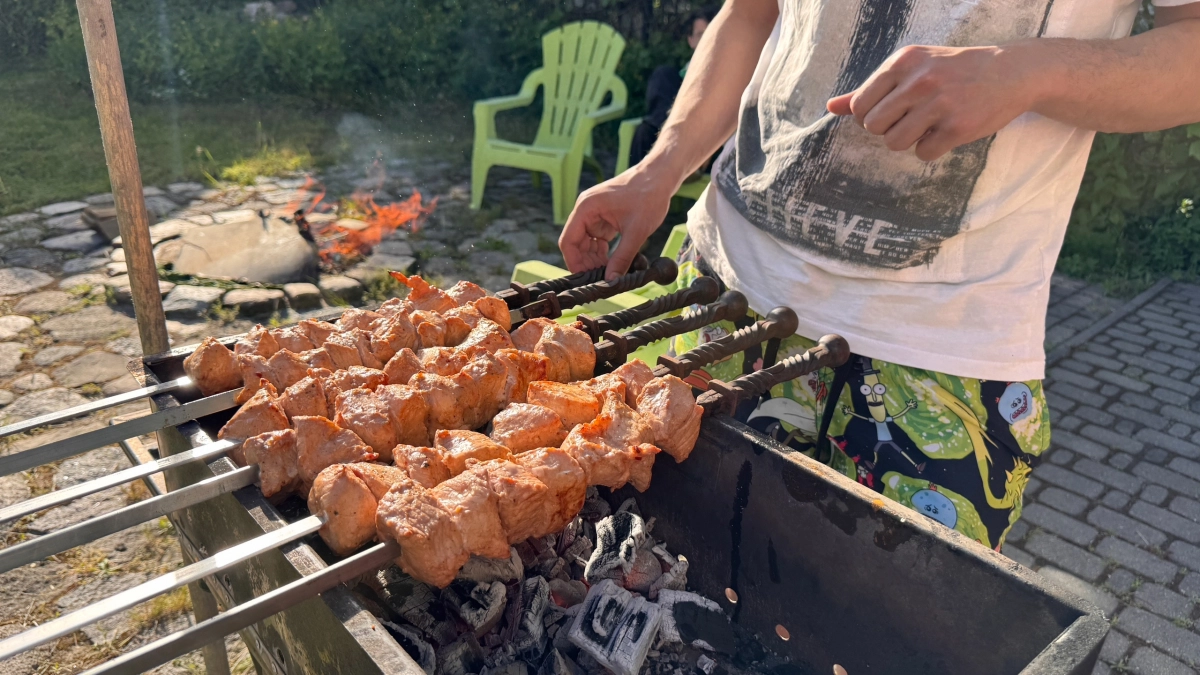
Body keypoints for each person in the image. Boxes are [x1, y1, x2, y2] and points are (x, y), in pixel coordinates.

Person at [560, 0, 1200, 550]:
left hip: (934, 362)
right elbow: (754, 12)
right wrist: (659, 168)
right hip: (719, 294)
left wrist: (1020, 73)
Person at [627, 7, 718, 167]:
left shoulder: (728, 72)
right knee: (646, 130)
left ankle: (671, 139)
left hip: (704, 142)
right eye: (700, 35)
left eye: (711, 33)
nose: (706, 39)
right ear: (690, 40)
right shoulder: (678, 76)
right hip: (675, 135)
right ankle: (667, 132)